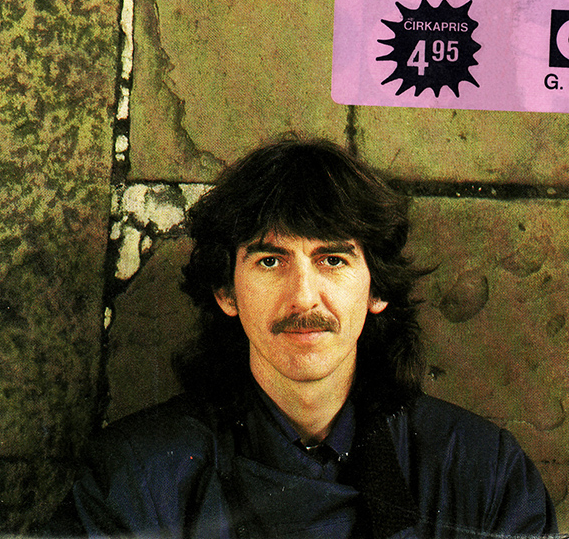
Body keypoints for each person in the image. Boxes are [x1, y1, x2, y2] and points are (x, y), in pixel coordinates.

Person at [66, 136, 559, 539]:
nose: (304, 297)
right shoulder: (134, 480)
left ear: (377, 289)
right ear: (226, 292)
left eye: (332, 260)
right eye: (270, 261)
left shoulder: (484, 473)